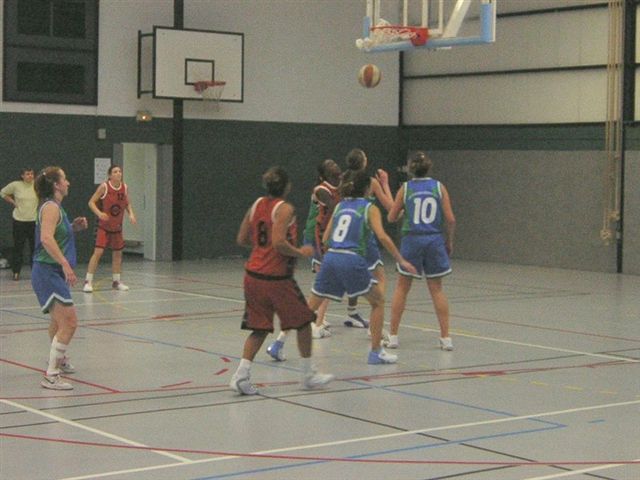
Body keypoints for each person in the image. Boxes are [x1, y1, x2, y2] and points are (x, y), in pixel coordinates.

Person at [230, 166, 334, 395]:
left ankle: (241, 375)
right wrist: (300, 252)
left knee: (259, 328)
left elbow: (242, 238)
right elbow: (278, 243)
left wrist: (261, 248)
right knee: (304, 322)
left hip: (253, 275)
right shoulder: (285, 208)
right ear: (287, 186)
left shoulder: (257, 204)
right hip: (276, 278)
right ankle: (308, 375)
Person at [307, 169, 417, 364]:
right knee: (378, 301)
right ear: (367, 188)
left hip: (331, 257)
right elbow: (383, 236)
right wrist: (400, 259)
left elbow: (325, 239)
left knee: (309, 308)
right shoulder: (368, 208)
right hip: (352, 257)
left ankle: (279, 343)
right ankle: (375, 352)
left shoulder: (340, 206)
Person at [387, 151, 456, 350]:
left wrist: (402, 212)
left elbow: (391, 217)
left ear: (410, 169)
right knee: (437, 289)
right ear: (429, 168)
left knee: (402, 288)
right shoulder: (439, 187)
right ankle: (446, 338)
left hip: (412, 240)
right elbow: (451, 219)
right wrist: (449, 241)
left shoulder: (406, 188)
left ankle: (393, 336)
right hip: (434, 240)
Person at [31, 167, 88, 390]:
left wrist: (72, 228)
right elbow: (46, 239)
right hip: (48, 272)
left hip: (50, 271)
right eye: (64, 179)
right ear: (56, 184)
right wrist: (64, 264)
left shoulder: (56, 208)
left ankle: (59, 360)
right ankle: (51, 376)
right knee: (70, 322)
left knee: (58, 321)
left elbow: (54, 235)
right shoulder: (51, 208)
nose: (68, 183)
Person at [341, 148, 395, 329]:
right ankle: (376, 318)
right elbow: (391, 208)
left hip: (345, 236)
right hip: (364, 236)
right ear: (363, 162)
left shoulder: (343, 180)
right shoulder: (371, 182)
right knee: (380, 277)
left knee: (347, 277)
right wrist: (385, 184)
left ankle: (349, 312)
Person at [83, 165, 136, 292]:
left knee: (117, 254)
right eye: (115, 172)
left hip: (117, 227)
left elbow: (127, 203)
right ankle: (88, 281)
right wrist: (99, 213)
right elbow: (91, 202)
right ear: (110, 175)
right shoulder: (104, 187)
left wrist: (131, 214)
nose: (118, 173)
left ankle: (116, 281)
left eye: (120, 171)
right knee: (98, 253)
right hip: (104, 227)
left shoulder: (124, 187)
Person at [1, 168, 37, 281]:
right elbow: (3, 192)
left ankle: (35, 272)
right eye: (27, 174)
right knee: (18, 248)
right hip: (19, 221)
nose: (30, 176)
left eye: (32, 174)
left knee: (34, 248)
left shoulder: (37, 185)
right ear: (22, 176)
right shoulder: (16, 185)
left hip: (33, 221)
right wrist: (12, 202)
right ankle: (16, 272)